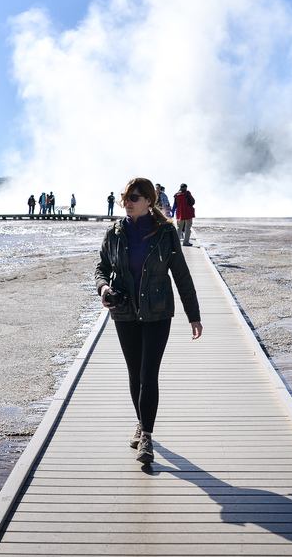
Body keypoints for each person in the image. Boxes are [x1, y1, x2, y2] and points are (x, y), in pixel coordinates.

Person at [95, 177, 202, 465]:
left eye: (134, 198)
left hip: (157, 312)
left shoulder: (165, 233)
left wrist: (194, 315)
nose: (128, 203)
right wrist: (105, 289)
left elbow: (181, 274)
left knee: (148, 373)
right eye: (126, 198)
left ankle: (147, 437)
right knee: (134, 373)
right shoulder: (115, 233)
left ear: (149, 201)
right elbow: (101, 268)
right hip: (125, 312)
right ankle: (141, 423)